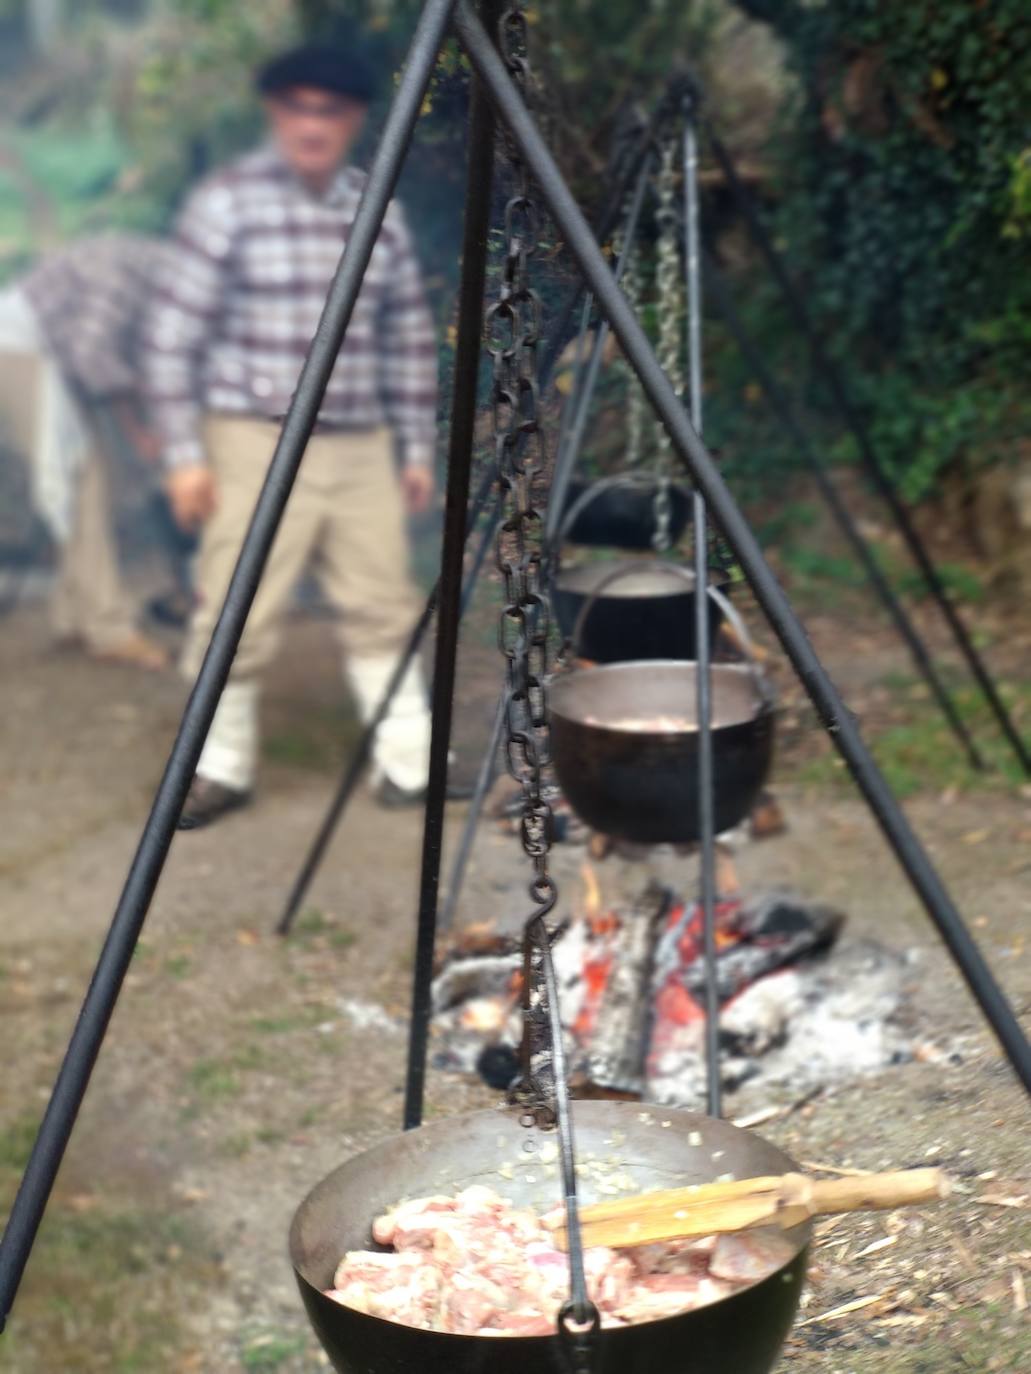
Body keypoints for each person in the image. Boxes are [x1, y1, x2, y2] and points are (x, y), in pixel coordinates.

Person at [143, 41, 438, 829]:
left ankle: (410, 765)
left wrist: (415, 447)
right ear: (275, 113)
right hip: (250, 439)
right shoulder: (226, 203)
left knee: (384, 601)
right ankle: (218, 768)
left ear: (355, 121)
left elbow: (407, 336)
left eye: (331, 111)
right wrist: (182, 457)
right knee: (235, 608)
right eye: (298, 108)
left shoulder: (380, 209)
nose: (313, 125)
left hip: (360, 442)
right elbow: (173, 337)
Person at [0, 234, 172, 669]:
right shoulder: (126, 274)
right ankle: (108, 627)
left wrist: (142, 426)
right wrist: (138, 431)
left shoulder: (153, 273)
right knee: (78, 481)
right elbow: (93, 357)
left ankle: (75, 615)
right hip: (19, 347)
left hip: (53, 356)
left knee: (93, 483)